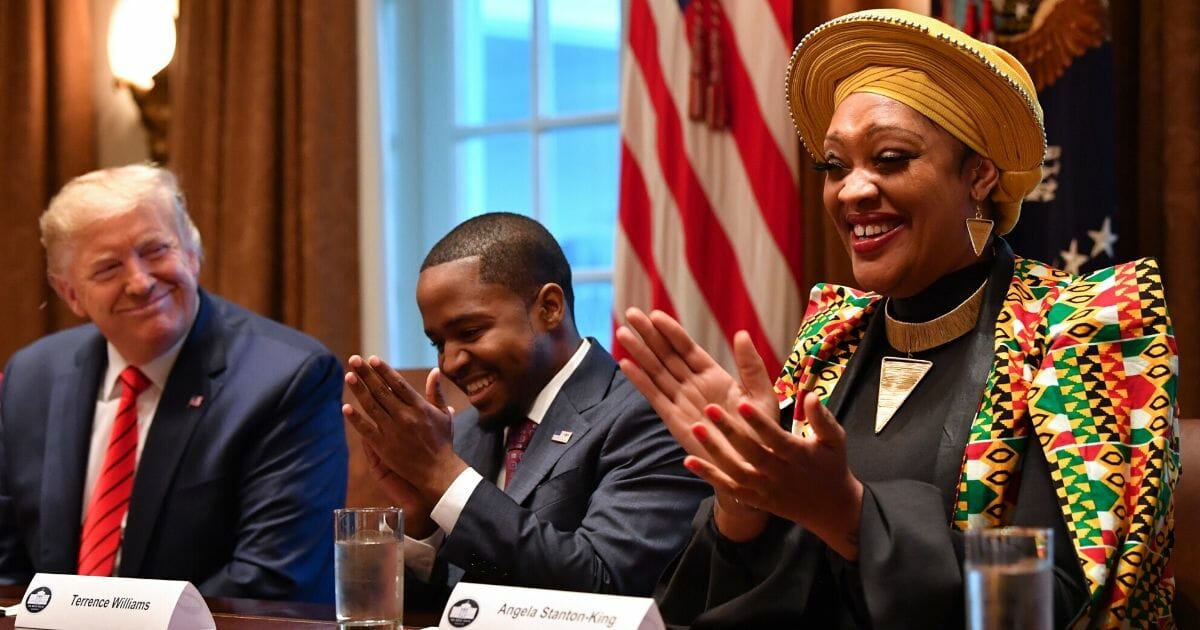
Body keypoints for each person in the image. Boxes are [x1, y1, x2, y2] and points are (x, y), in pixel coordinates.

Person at [615, 9, 1177, 629]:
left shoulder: (1074, 330)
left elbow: (1053, 600)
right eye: (834, 166)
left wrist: (850, 516)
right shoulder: (829, 341)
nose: (852, 190)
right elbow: (714, 605)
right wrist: (741, 501)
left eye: (889, 158)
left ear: (980, 174)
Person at [0, 165, 347, 602]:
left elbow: (269, 578)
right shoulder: (31, 378)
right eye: (108, 268)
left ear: (192, 253)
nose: (141, 282)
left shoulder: (287, 380)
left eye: (156, 250)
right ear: (70, 294)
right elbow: (7, 568)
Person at [343, 212, 710, 609]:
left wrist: (441, 475)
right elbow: (442, 611)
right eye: (438, 343)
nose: (449, 363)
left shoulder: (649, 415)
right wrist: (421, 522)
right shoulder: (463, 434)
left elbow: (606, 586)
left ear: (549, 308)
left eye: (469, 333)